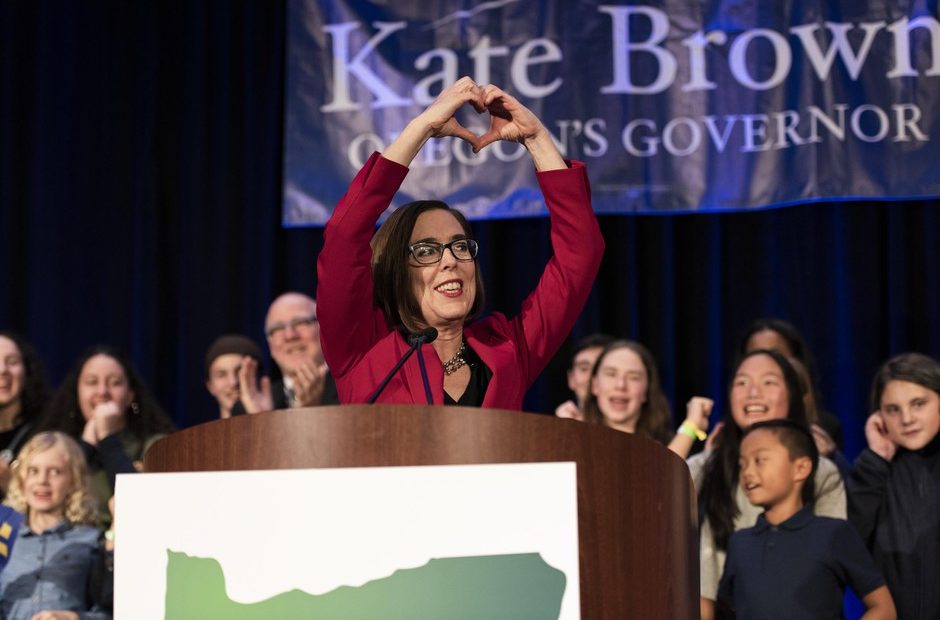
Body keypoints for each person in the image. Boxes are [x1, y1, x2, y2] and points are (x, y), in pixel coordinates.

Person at [316, 77, 604, 407]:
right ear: (396, 269)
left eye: (460, 245)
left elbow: (580, 254)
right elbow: (343, 236)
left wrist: (537, 139)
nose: (450, 260)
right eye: (426, 250)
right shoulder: (361, 347)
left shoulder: (508, 349)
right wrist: (422, 127)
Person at [689, 349, 846, 620]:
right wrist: (690, 428)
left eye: (769, 382)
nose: (753, 392)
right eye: (742, 382)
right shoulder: (702, 469)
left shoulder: (820, 472)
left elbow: (831, 570)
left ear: (792, 395)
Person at [718, 420, 896, 619]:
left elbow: (883, 608)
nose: (747, 472)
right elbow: (726, 610)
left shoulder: (833, 534)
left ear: (801, 468)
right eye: (742, 464)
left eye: (759, 460)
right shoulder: (740, 542)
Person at [848, 352, 940, 619]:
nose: (907, 419)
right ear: (879, 416)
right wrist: (876, 460)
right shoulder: (872, 473)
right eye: (893, 410)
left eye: (919, 404)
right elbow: (849, 544)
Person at [38, 347, 175, 520]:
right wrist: (86, 447)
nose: (102, 392)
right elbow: (52, 499)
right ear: (77, 392)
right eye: (92, 382)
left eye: (115, 383)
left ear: (130, 396)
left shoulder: (155, 446)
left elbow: (139, 505)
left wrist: (107, 437)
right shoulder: (56, 446)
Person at [1, 431, 112, 619]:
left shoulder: (91, 541)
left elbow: (112, 613)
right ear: (21, 479)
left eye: (55, 472)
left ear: (73, 480)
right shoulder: (5, 538)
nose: (42, 481)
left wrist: (73, 618)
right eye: (33, 471)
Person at [580, 340, 712, 458]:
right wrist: (690, 428)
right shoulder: (575, 444)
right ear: (594, 385)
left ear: (647, 391)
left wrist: (691, 427)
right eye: (611, 374)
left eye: (633, 377)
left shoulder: (670, 445)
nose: (620, 385)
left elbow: (661, 479)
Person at [738, 318, 843, 451]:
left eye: (775, 355)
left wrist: (825, 459)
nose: (764, 363)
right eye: (755, 354)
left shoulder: (825, 428)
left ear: (797, 363)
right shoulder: (728, 431)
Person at [238, 292, 338, 413]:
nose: (290, 335)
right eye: (278, 328)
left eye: (301, 322)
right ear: (269, 344)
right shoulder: (247, 407)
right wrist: (262, 422)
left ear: (323, 328)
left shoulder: (353, 391)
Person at [0, 332, 49, 498]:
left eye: (12, 362)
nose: (2, 370)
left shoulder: (47, 430)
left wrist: (9, 484)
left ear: (26, 371)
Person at [554, 333, 613, 421]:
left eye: (599, 367)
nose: (591, 378)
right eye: (584, 368)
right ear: (571, 379)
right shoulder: (555, 428)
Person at [204, 334, 264, 419]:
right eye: (221, 375)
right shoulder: (201, 432)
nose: (233, 382)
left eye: (240, 371)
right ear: (210, 386)